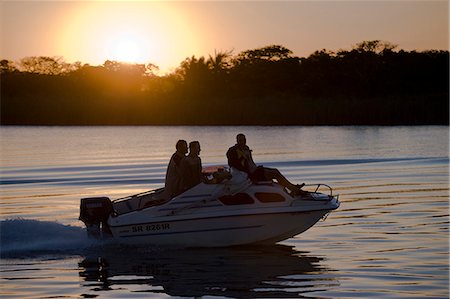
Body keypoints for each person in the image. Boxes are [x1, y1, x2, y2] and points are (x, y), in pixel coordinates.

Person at [226, 133, 304, 195]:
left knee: (276, 171)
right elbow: (233, 163)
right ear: (237, 141)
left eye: (243, 140)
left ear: (245, 140)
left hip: (256, 170)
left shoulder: (246, 148)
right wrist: (251, 177)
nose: (242, 142)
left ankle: (292, 187)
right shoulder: (234, 150)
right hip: (252, 174)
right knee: (275, 174)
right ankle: (294, 189)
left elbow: (251, 162)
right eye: (240, 140)